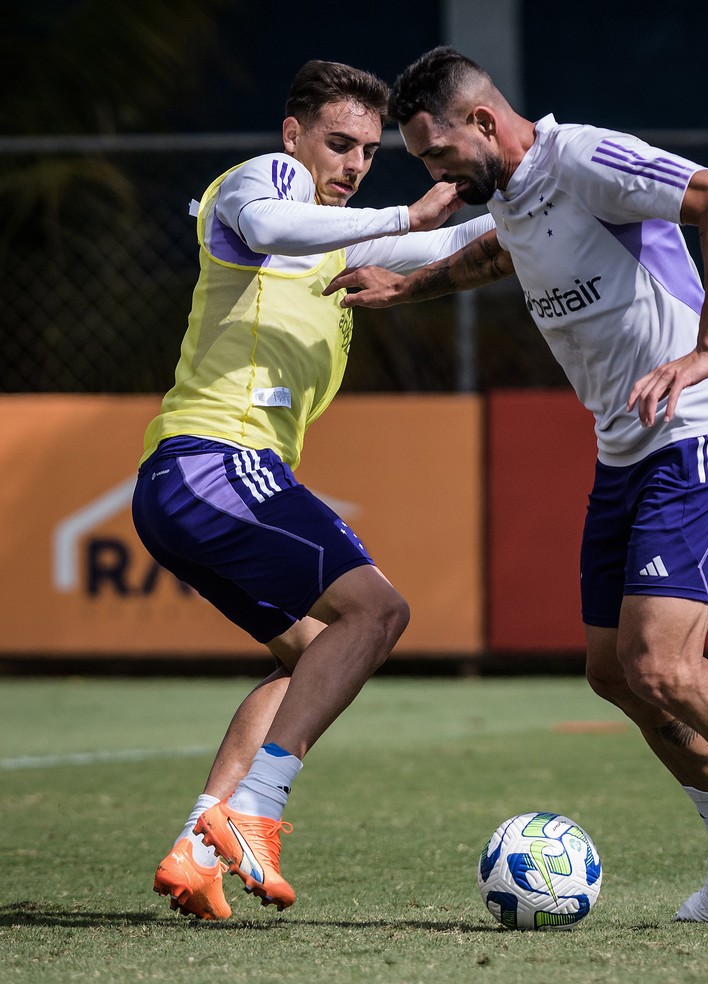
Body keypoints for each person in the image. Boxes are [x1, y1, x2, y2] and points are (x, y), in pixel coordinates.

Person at [326, 47, 708, 933]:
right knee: (613, 671)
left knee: (665, 663)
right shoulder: (509, 196)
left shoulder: (581, 157)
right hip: (626, 452)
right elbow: (498, 256)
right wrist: (409, 285)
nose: (434, 176)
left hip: (703, 431)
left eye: (437, 157)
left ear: (481, 121)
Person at [132, 58, 494, 921]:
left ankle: (197, 845)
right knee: (378, 613)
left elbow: (443, 247)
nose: (354, 164)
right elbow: (267, 220)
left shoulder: (338, 232)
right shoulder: (266, 182)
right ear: (294, 135)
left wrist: (542, 208)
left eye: (369, 151)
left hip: (201, 481)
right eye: (339, 143)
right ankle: (257, 812)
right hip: (215, 459)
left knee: (310, 659)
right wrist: (407, 210)